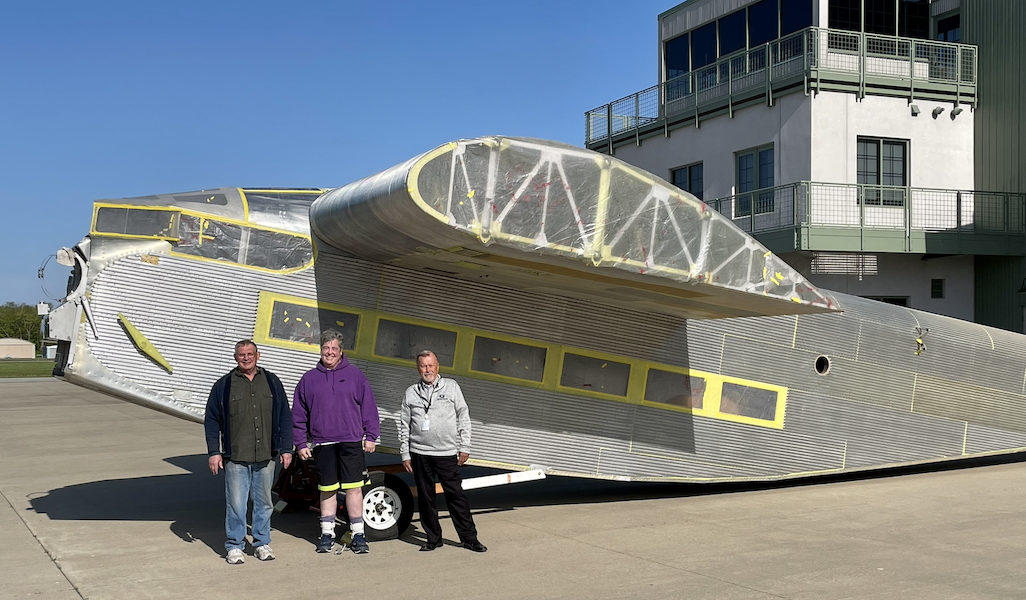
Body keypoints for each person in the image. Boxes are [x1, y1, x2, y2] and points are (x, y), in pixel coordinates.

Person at [204, 340, 293, 565]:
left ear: (258, 355)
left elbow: (284, 416)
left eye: (250, 354)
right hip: (236, 457)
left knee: (264, 503)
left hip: (265, 455)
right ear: (236, 358)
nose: (246, 358)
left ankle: (262, 543)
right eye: (242, 355)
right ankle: (235, 546)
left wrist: (285, 448)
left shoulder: (272, 382)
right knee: (236, 504)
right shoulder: (223, 386)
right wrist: (214, 452)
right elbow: (212, 420)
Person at [292, 329, 380, 554]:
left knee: (354, 488)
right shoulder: (308, 379)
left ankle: (358, 534)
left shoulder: (355, 375)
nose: (329, 352)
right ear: (320, 350)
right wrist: (301, 443)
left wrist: (371, 436)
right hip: (323, 443)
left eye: (334, 349)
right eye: (325, 348)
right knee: (327, 489)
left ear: (341, 352)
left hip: (351, 441)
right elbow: (299, 414)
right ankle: (327, 534)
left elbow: (368, 406)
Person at [400, 350, 487, 552]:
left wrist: (464, 446)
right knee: (425, 497)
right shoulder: (411, 392)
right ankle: (433, 539)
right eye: (423, 366)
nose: (428, 370)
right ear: (418, 368)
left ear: (438, 366)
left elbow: (464, 415)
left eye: (431, 365)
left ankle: (469, 538)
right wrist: (405, 453)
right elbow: (404, 425)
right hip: (420, 453)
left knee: (456, 496)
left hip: (447, 453)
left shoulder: (452, 387)